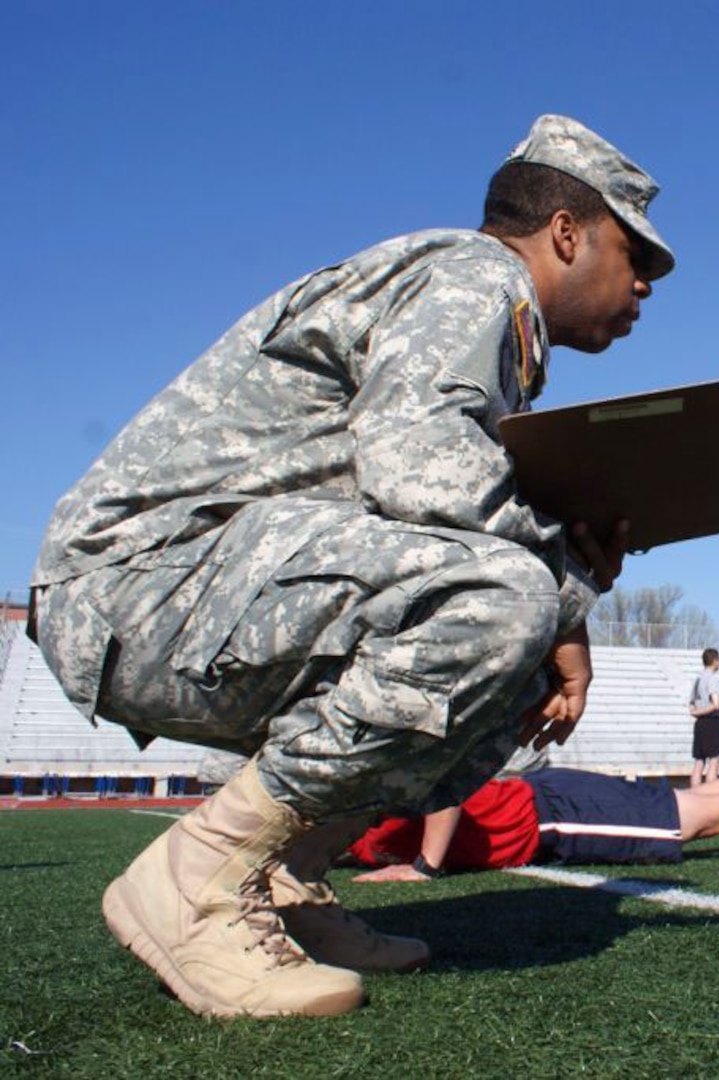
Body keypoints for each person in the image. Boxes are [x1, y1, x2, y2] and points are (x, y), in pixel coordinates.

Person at [27, 114, 675, 1017]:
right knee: (506, 597)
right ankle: (194, 879)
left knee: (524, 627)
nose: (644, 283)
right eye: (634, 252)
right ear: (566, 232)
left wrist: (571, 592)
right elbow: (420, 465)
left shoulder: (486, 309)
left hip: (202, 585)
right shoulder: (473, 276)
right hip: (139, 580)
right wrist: (557, 592)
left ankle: (287, 874)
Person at [347, 767, 719, 876]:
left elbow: (444, 781)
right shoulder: (343, 833)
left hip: (553, 816)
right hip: (549, 802)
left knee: (696, 817)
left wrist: (425, 866)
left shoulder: (354, 800)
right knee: (693, 806)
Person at [689, 648, 719, 788]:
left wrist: (697, 713)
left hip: (699, 724)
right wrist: (704, 711)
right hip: (711, 723)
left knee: (699, 762)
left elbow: (691, 706)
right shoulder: (712, 678)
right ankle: (711, 798)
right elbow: (716, 704)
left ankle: (695, 795)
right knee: (714, 761)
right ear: (715, 661)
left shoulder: (697, 679)